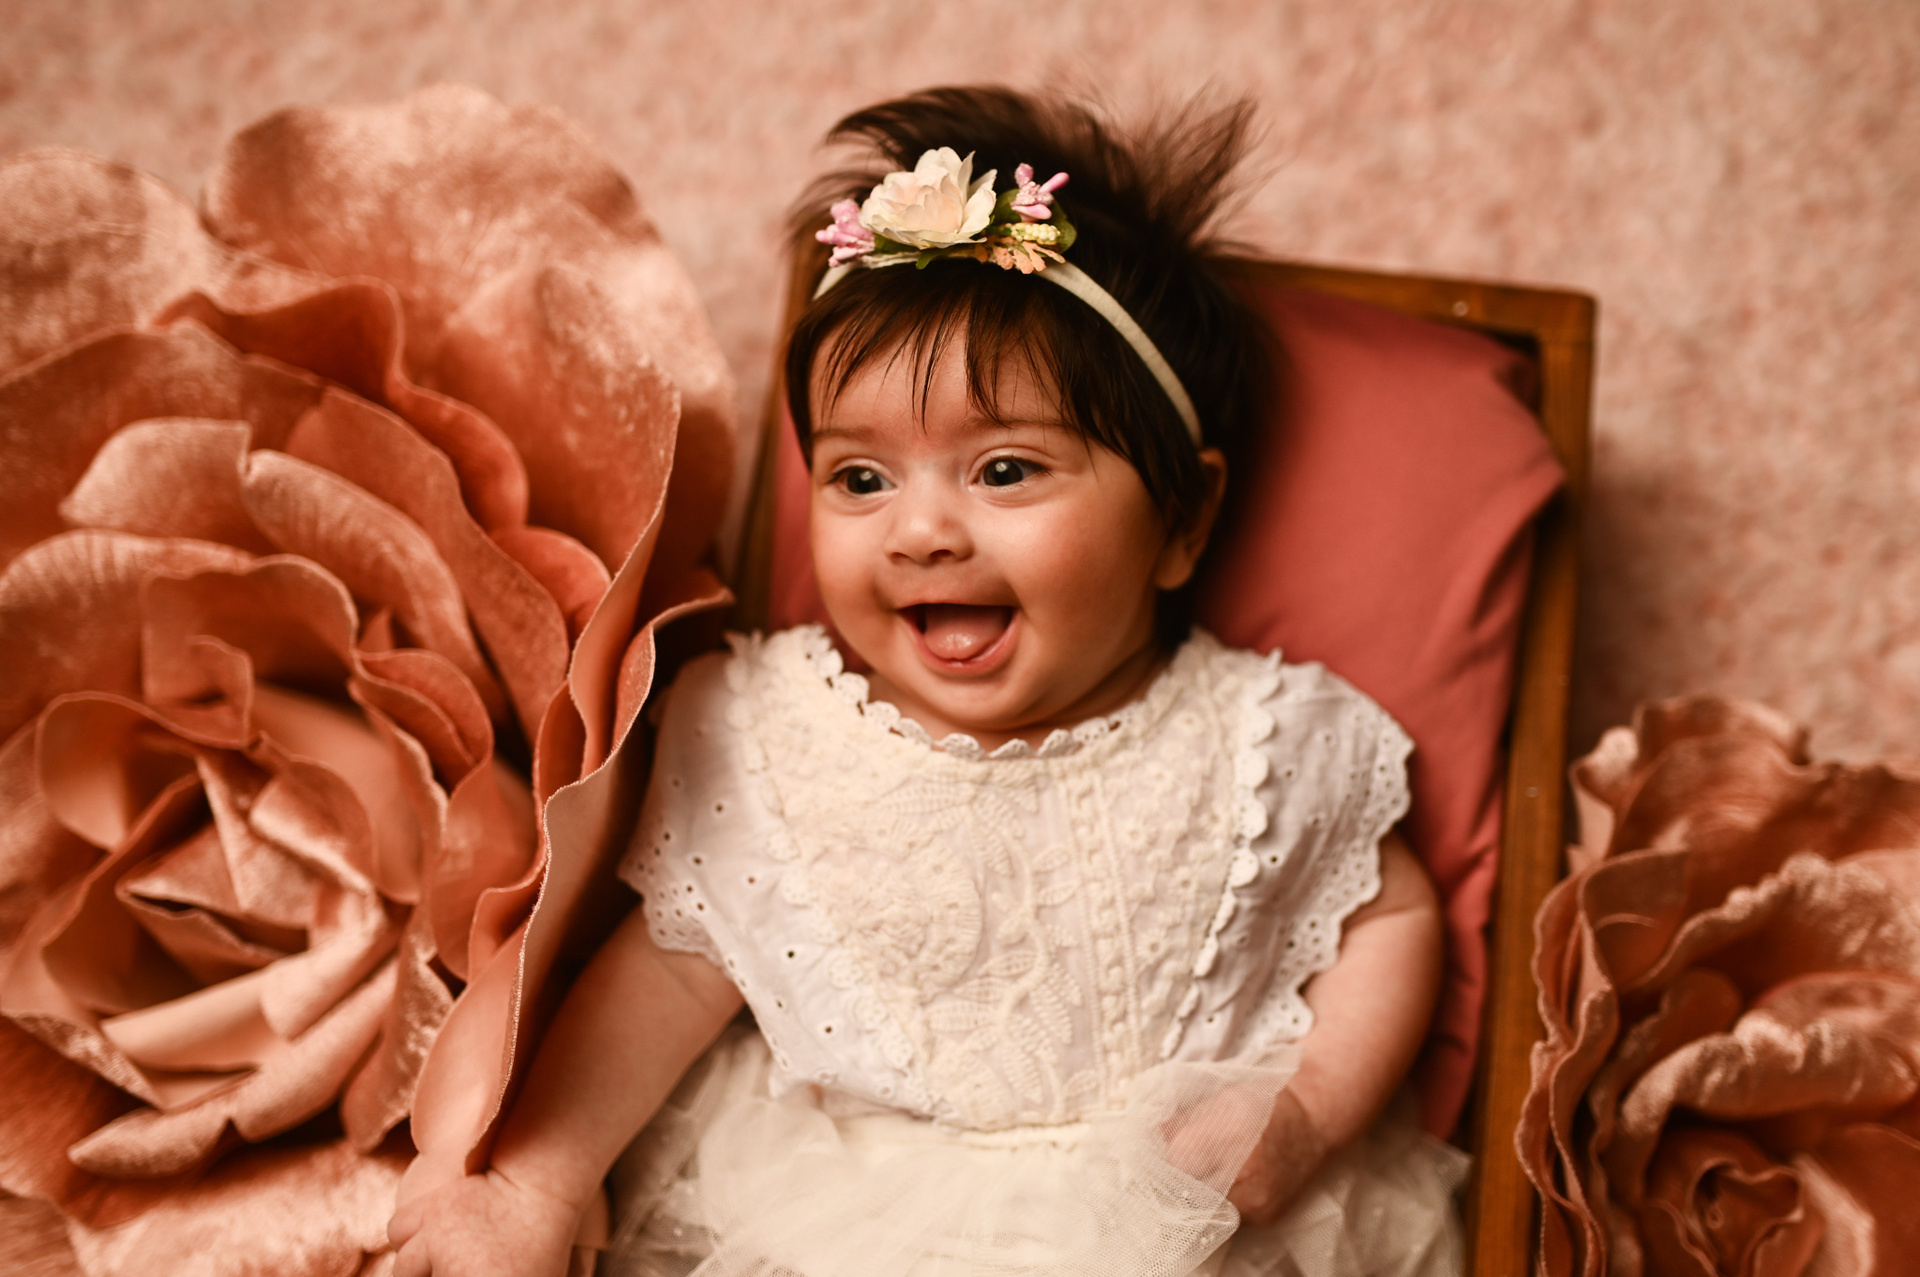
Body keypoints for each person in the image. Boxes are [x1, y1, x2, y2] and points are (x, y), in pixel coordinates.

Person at [389, 85, 1469, 1277]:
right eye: (860, 479)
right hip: (836, 1222)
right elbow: (669, 974)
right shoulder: (774, 738)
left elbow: (1390, 913)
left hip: (1179, 1222)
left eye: (1004, 469)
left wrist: (1309, 1105)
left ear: (1183, 516)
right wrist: (538, 1182)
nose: (919, 532)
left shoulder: (1264, 742)